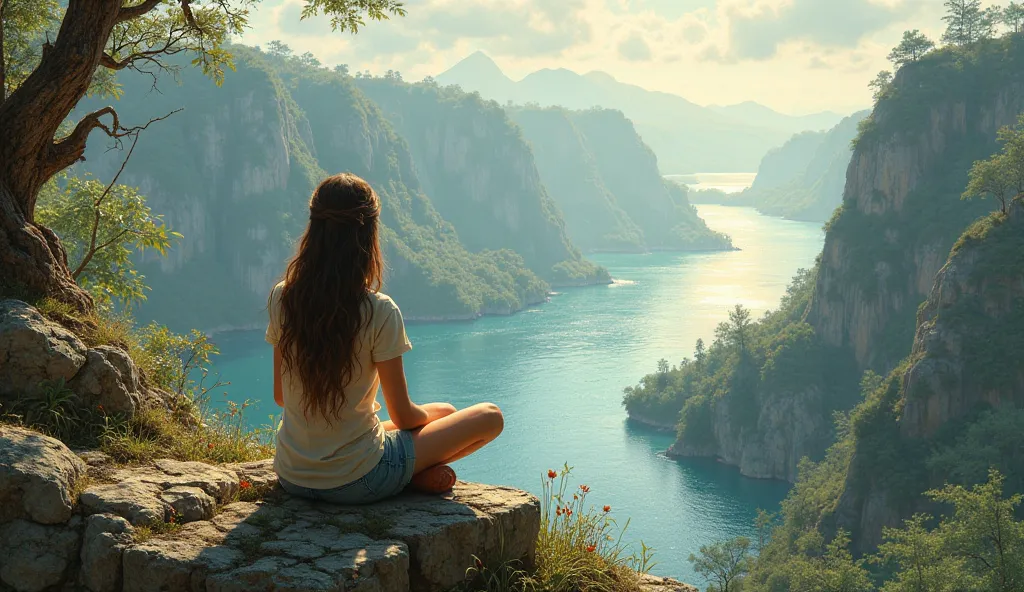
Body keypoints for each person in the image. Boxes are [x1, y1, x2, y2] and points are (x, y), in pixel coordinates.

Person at [265, 173, 504, 505]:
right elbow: (405, 417)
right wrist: (420, 429)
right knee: (490, 416)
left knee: (445, 411)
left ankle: (412, 471)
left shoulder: (282, 298)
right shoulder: (378, 310)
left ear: (314, 230)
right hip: (357, 480)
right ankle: (408, 475)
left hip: (292, 474)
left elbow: (281, 396)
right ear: (368, 235)